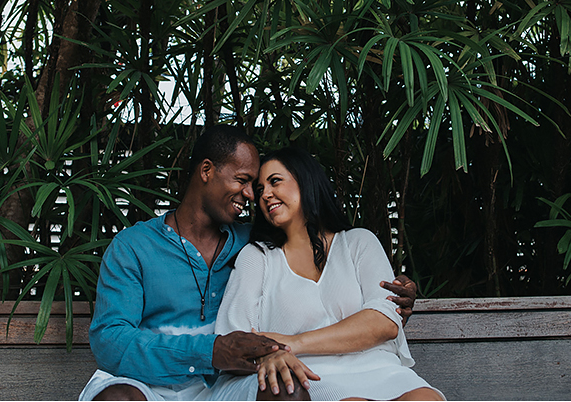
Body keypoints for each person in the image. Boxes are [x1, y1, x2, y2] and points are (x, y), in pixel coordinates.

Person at [79, 126, 418, 401]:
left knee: (285, 386)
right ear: (207, 171)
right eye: (243, 181)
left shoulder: (255, 245)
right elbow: (111, 341)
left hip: (222, 389)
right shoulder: (134, 247)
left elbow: (318, 256)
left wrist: (397, 294)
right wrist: (209, 352)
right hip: (147, 384)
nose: (253, 196)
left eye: (258, 185)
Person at [212, 147, 445, 401]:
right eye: (259, 191)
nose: (265, 195)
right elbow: (235, 338)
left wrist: (293, 342)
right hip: (312, 375)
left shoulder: (359, 242)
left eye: (275, 182)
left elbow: (385, 322)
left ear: (305, 180)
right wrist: (270, 353)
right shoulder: (257, 257)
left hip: (381, 368)